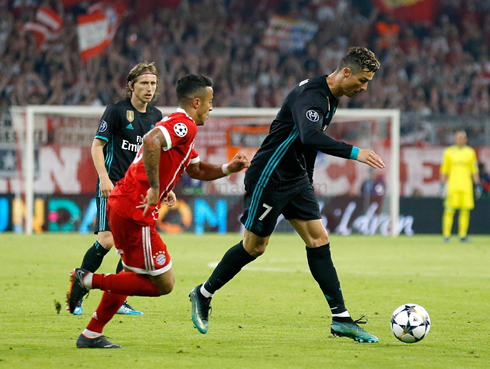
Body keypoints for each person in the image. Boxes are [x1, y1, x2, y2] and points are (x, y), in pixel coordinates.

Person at [190, 47, 385, 343]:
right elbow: (310, 136)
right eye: (362, 80)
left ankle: (341, 318)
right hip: (270, 176)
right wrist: (355, 152)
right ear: (346, 72)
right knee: (254, 247)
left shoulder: (331, 98)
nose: (364, 87)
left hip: (295, 179)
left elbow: (304, 145)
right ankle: (203, 293)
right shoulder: (312, 96)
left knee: (319, 239)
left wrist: (306, 181)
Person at [66, 74, 250, 348]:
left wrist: (227, 169)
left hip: (125, 204)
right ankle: (87, 279)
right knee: (164, 283)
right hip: (135, 210)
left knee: (129, 274)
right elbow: (151, 141)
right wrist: (154, 187)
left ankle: (91, 334)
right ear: (196, 102)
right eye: (210, 102)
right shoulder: (183, 124)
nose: (212, 108)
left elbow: (196, 169)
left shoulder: (181, 127)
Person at [72, 62, 163, 316]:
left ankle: (118, 300)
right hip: (112, 188)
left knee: (132, 247)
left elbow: (156, 155)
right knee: (106, 240)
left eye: (153, 84)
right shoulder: (115, 111)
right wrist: (103, 178)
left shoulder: (156, 117)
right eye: (144, 83)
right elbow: (97, 146)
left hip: (137, 192)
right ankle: (77, 293)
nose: (149, 88)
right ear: (131, 85)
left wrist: (162, 187)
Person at [440, 131, 481, 242]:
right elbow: (445, 169)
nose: (460, 140)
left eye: (462, 138)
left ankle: (462, 235)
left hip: (466, 186)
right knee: (449, 210)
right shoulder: (449, 152)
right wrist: (442, 185)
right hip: (452, 186)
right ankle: (446, 235)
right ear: (455, 139)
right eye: (458, 138)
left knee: (465, 211)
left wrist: (477, 184)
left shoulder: (470, 152)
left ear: (466, 140)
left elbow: (474, 170)